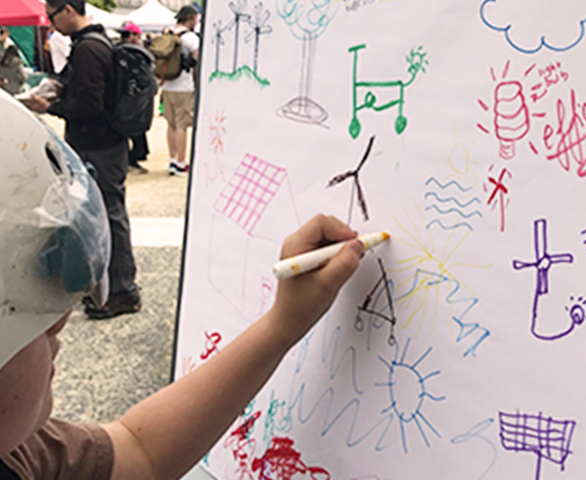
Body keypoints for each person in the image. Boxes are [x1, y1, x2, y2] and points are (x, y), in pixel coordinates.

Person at [0, 89, 364, 480]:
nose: (58, 329)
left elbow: (139, 452)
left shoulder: (19, 453)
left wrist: (283, 324)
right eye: (41, 325)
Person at [25, 0, 141, 320]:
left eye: (52, 13)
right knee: (105, 214)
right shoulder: (91, 43)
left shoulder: (88, 49)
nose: (50, 21)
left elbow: (89, 104)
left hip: (100, 146)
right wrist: (55, 89)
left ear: (69, 10)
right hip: (104, 145)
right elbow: (77, 89)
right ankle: (112, 288)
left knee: (109, 216)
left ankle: (122, 291)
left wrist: (48, 108)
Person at [162, 5, 200, 176]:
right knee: (182, 126)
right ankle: (181, 163)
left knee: (170, 124)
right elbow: (197, 61)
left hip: (167, 86)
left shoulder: (169, 34)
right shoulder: (191, 37)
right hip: (183, 87)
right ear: (191, 18)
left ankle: (171, 160)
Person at [120, 22, 151, 174]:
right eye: (136, 36)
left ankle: (131, 159)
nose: (138, 39)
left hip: (128, 99)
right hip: (132, 100)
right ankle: (131, 160)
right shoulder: (133, 53)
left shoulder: (119, 51)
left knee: (135, 134)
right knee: (134, 133)